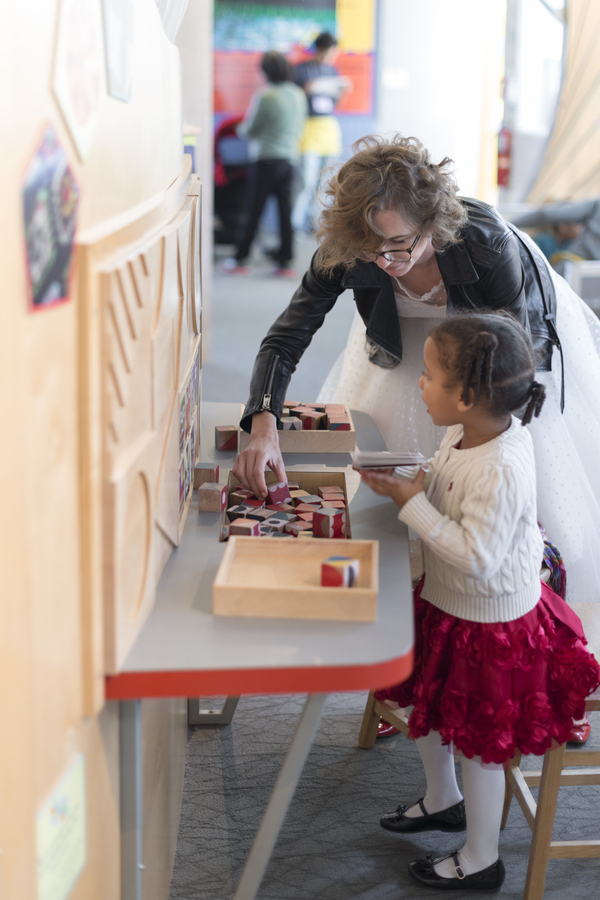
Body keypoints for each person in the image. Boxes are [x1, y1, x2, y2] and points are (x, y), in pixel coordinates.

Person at [234, 135, 600, 611]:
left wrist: (470, 452)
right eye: (371, 249)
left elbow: (513, 358)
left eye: (400, 244)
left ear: (433, 222)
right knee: (394, 464)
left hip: (496, 340)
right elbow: (286, 337)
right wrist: (263, 428)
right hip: (405, 337)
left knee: (491, 465)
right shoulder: (347, 248)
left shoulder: (488, 246)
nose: (385, 263)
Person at [358, 313, 600, 891]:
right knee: (426, 708)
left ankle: (480, 858)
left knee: (480, 748)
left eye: (429, 375)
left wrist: (411, 504)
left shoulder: (502, 467)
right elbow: (448, 482)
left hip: (492, 628)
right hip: (450, 604)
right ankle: (443, 800)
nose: (419, 382)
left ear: (465, 396)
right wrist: (413, 481)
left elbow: (477, 556)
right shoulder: (467, 432)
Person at [221, 51, 307, 277]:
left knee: (253, 211)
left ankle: (240, 259)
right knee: (285, 212)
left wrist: (240, 128)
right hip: (290, 160)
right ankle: (285, 262)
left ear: (266, 72)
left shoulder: (266, 96)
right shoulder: (298, 95)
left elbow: (250, 130)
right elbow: (301, 126)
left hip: (265, 160)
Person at [291, 32, 348, 233]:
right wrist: (313, 87)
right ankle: (294, 224)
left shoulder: (333, 71)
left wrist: (341, 92)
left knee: (324, 182)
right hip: (308, 128)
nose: (332, 55)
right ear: (321, 49)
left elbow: (335, 103)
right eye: (330, 51)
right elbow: (298, 94)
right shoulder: (301, 69)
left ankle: (316, 223)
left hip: (328, 129)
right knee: (306, 181)